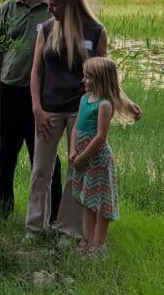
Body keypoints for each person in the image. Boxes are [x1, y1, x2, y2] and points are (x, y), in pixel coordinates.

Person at [25, 0, 141, 242]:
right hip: (48, 110)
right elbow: (36, 71)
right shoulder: (45, 29)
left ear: (70, 2)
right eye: (48, 5)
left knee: (76, 169)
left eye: (54, 5)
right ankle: (34, 228)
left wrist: (125, 101)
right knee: (40, 170)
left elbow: (106, 74)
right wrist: (37, 108)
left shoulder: (95, 31)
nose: (50, 10)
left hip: (82, 110)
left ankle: (68, 229)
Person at [0, 0, 62, 221]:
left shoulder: (52, 8)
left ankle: (52, 216)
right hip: (9, 91)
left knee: (44, 159)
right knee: (3, 156)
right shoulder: (7, 9)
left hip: (42, 98)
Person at [70, 57, 125, 257]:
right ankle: (87, 238)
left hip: (97, 160)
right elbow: (76, 126)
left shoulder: (104, 105)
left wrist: (83, 157)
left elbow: (101, 137)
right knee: (87, 200)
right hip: (82, 158)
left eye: (87, 77)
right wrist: (72, 151)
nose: (83, 80)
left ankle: (98, 244)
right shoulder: (84, 99)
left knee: (101, 201)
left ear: (100, 79)